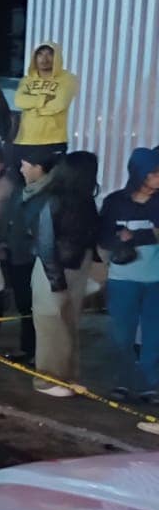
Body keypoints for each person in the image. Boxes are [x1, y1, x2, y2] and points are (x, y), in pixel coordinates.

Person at [30, 150, 99, 396]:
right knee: (51, 322)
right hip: (55, 268)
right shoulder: (53, 200)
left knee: (69, 322)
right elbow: (45, 244)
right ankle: (47, 380)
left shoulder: (84, 200)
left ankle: (68, 376)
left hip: (76, 266)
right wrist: (55, 280)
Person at [98, 147, 159, 400]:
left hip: (155, 279)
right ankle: (122, 381)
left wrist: (132, 236)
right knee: (122, 334)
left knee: (154, 334)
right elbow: (102, 237)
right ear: (140, 174)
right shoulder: (115, 202)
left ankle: (150, 384)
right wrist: (119, 239)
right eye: (154, 173)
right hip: (122, 278)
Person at [0, 154, 52, 363]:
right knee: (24, 305)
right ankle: (28, 348)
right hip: (17, 255)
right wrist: (4, 241)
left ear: (39, 166)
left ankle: (39, 353)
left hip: (36, 257)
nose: (21, 170)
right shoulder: (21, 192)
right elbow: (7, 219)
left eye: (25, 165)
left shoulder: (48, 194)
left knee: (36, 306)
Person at [13, 42, 79, 166]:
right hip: (24, 140)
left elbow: (60, 104)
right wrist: (43, 100)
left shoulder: (68, 78)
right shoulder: (27, 80)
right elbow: (19, 101)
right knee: (22, 182)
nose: (44, 59)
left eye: (50, 54)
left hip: (53, 140)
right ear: (35, 57)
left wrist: (34, 109)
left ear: (57, 57)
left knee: (51, 182)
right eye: (40, 54)